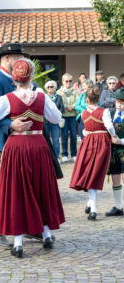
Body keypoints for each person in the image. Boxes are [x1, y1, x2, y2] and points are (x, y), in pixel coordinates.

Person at [0, 58, 65, 258]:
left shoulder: (7, 99)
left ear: (14, 78)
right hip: (38, 146)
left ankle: (18, 242)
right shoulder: (42, 97)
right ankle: (45, 234)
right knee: (40, 189)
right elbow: (56, 118)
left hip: (16, 147)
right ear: (32, 76)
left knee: (16, 191)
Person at [0, 43, 32, 247]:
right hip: (2, 142)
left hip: (22, 141)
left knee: (24, 185)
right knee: (1, 187)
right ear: (6, 59)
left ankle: (29, 227)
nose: (20, 62)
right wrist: (10, 125)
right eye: (16, 57)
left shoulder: (18, 80)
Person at [70, 86, 118, 221]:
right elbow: (109, 126)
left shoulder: (84, 113)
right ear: (98, 99)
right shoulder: (104, 111)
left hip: (88, 143)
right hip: (101, 142)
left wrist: (88, 133)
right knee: (95, 173)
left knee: (90, 173)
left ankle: (90, 204)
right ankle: (93, 208)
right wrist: (113, 135)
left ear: (86, 99)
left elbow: (84, 131)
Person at [105, 89, 124, 216]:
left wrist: (121, 141)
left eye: (122, 103)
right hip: (113, 152)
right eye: (118, 102)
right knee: (115, 178)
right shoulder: (109, 114)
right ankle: (118, 207)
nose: (119, 105)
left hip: (123, 148)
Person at [57, 73, 78, 163]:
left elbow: (78, 102)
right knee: (64, 136)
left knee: (74, 136)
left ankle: (74, 154)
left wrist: (72, 107)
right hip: (64, 116)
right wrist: (65, 107)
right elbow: (58, 102)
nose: (68, 83)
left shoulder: (75, 91)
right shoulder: (58, 92)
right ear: (62, 81)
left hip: (73, 115)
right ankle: (64, 154)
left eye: (70, 81)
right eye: (66, 81)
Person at [44, 80, 64, 161]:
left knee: (56, 141)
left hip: (55, 122)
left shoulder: (59, 97)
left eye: (51, 87)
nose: (50, 88)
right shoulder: (44, 97)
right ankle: (47, 158)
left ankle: (56, 157)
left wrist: (56, 115)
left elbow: (61, 108)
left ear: (55, 88)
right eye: (48, 87)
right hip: (45, 122)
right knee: (46, 140)